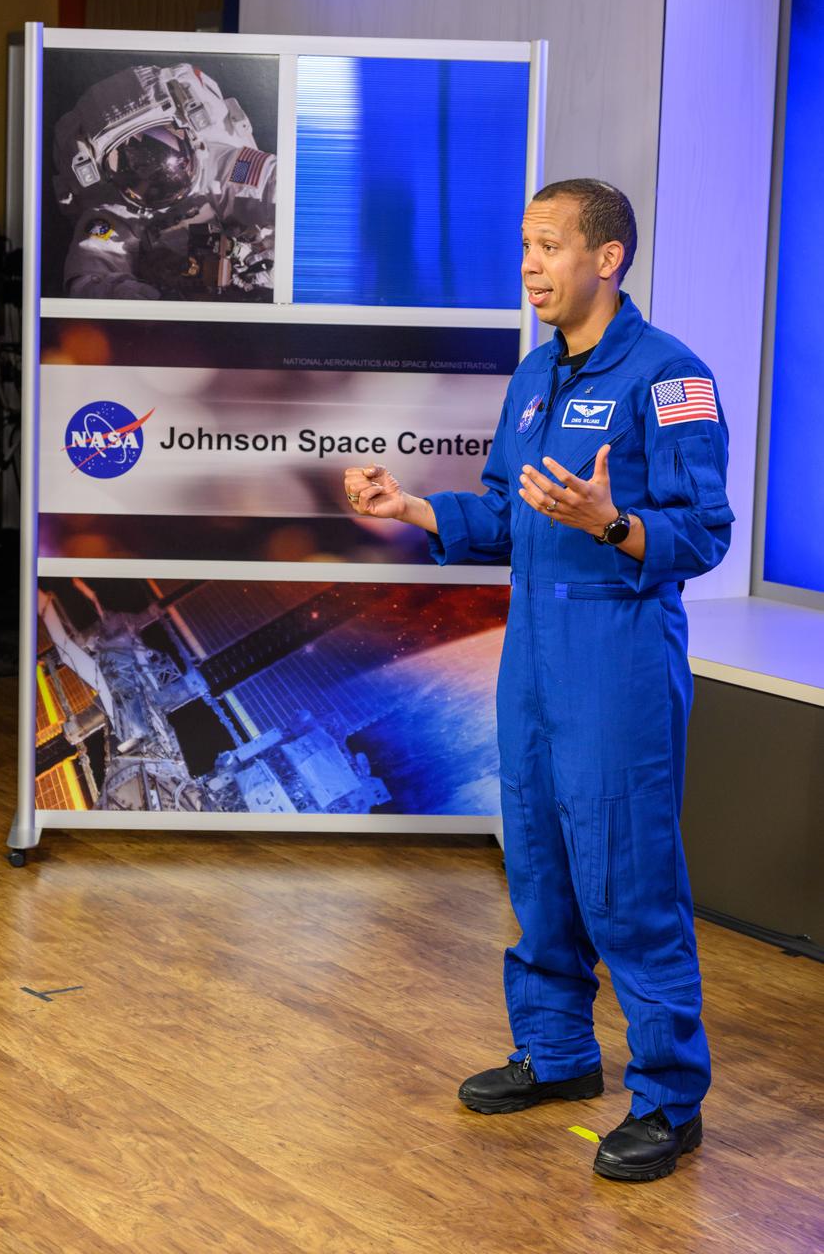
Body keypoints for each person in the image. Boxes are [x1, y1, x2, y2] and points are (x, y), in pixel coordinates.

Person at [343, 179, 734, 1183]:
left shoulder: (670, 377)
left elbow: (703, 535)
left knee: (625, 875)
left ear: (606, 259)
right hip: (532, 664)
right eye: (523, 244)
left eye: (548, 245)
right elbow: (505, 513)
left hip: (617, 658)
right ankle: (557, 1053)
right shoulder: (531, 378)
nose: (528, 265)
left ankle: (667, 1099)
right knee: (541, 863)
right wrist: (411, 509)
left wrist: (609, 519)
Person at [52, 63, 276, 301]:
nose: (153, 167)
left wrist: (280, 256)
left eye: (157, 140)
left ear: (188, 133)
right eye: (132, 159)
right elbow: (90, 279)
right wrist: (126, 297)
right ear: (107, 172)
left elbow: (298, 200)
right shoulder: (113, 213)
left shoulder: (232, 167)